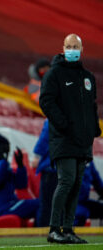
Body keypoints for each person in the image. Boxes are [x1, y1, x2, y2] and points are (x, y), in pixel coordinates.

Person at [39, 34, 101, 244]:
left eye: (75, 46)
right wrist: (64, 124)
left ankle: (68, 229)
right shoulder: (54, 74)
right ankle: (54, 229)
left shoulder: (88, 77)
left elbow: (91, 106)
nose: (72, 49)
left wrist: (94, 129)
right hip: (63, 139)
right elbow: (46, 102)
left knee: (77, 185)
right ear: (63, 48)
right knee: (66, 182)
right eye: (68, 46)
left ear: (81, 49)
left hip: (83, 141)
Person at [0, 133, 39, 221]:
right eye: (4, 149)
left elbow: (21, 185)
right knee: (41, 204)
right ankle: (46, 231)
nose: (6, 152)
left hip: (9, 203)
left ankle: (44, 230)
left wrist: (20, 167)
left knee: (42, 203)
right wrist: (2, 160)